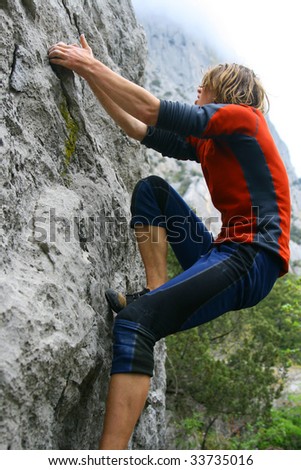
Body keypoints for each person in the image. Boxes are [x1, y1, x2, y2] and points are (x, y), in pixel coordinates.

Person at [48, 35, 291, 449]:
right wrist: (91, 78)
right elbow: (138, 127)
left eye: (205, 85)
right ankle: (155, 287)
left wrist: (88, 64)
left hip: (255, 256)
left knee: (135, 322)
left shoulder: (243, 120)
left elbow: (149, 107)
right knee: (153, 189)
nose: (197, 91)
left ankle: (110, 455)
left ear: (226, 91)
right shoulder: (213, 142)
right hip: (226, 250)